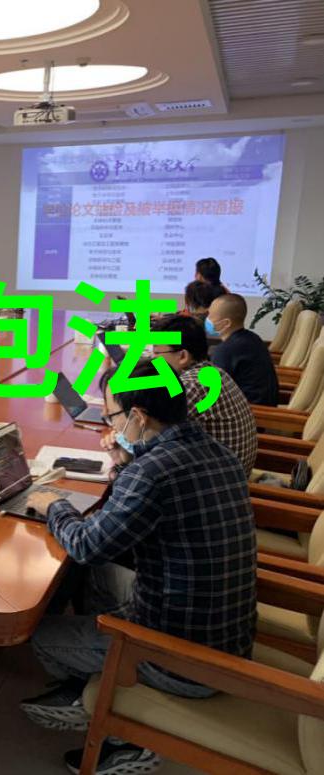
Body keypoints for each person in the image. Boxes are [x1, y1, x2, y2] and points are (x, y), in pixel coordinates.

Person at [20, 360, 257, 775]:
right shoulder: (212, 449)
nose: (109, 424)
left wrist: (52, 504)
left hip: (181, 660)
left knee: (40, 633)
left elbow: (86, 545)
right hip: (226, 635)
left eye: (111, 416)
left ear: (139, 417)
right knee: (96, 575)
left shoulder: (151, 472)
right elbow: (137, 515)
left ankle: (127, 737)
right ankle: (91, 681)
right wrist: (122, 460)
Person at [153, 314, 258, 473]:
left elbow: (150, 434)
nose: (153, 359)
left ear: (183, 356)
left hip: (219, 480)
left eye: (157, 353)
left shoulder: (190, 386)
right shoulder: (212, 371)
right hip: (230, 470)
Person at [207, 293, 279, 406]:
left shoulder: (226, 350)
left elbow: (212, 392)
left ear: (226, 323)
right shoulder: (253, 338)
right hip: (262, 406)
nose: (207, 319)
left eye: (210, 315)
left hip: (251, 411)